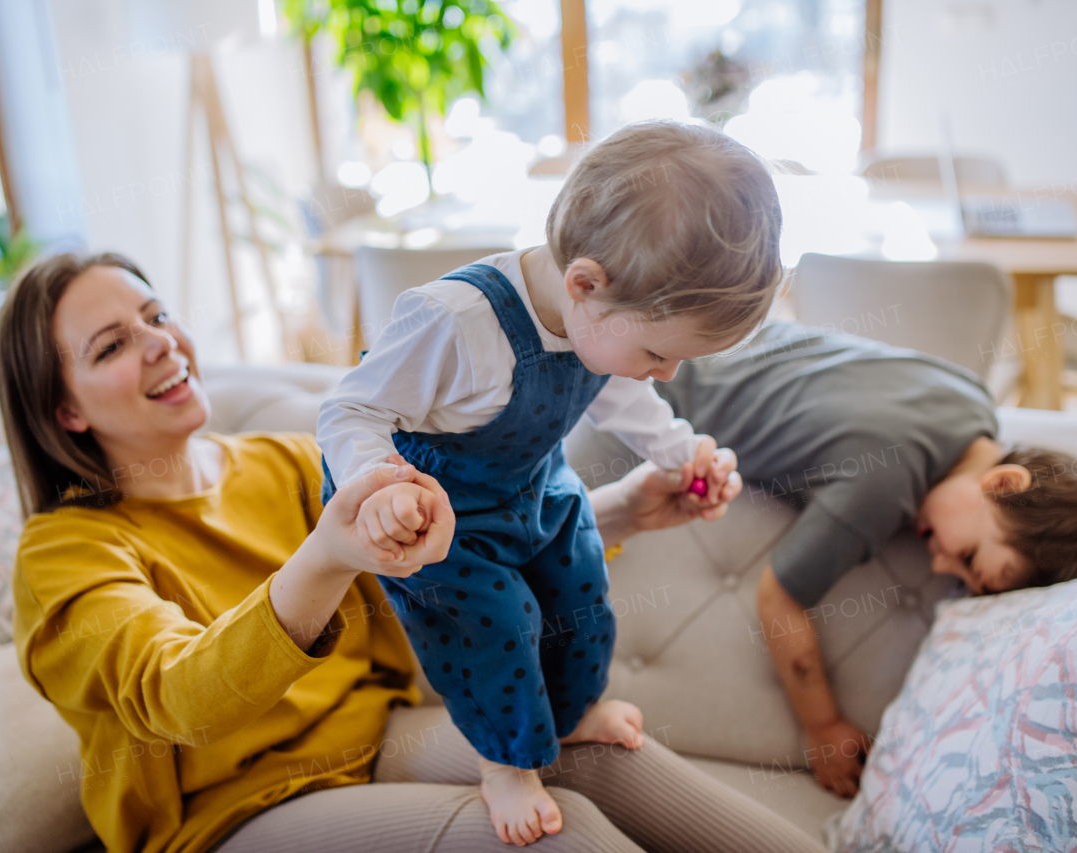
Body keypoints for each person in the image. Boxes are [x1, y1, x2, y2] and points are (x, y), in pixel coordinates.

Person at [0, 252, 828, 853]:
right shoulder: (63, 554)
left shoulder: (276, 462)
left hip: (372, 734)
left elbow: (441, 574)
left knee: (605, 758)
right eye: (110, 345)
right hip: (233, 811)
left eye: (155, 313)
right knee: (543, 838)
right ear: (64, 411)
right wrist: (324, 554)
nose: (159, 342)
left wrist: (627, 512)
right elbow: (179, 702)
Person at [316, 120, 783, 844]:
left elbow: (623, 388)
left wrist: (678, 451)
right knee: (499, 619)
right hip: (440, 508)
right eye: (660, 350)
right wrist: (378, 488)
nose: (667, 370)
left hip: (530, 486)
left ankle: (573, 711)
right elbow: (350, 405)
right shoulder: (454, 320)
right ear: (584, 284)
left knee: (581, 583)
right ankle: (505, 761)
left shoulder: (597, 320)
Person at [649, 320, 1077, 798]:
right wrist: (823, 726)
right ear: (1004, 483)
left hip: (722, 333)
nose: (944, 567)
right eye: (970, 556)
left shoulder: (973, 400)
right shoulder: (883, 486)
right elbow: (778, 599)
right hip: (660, 393)